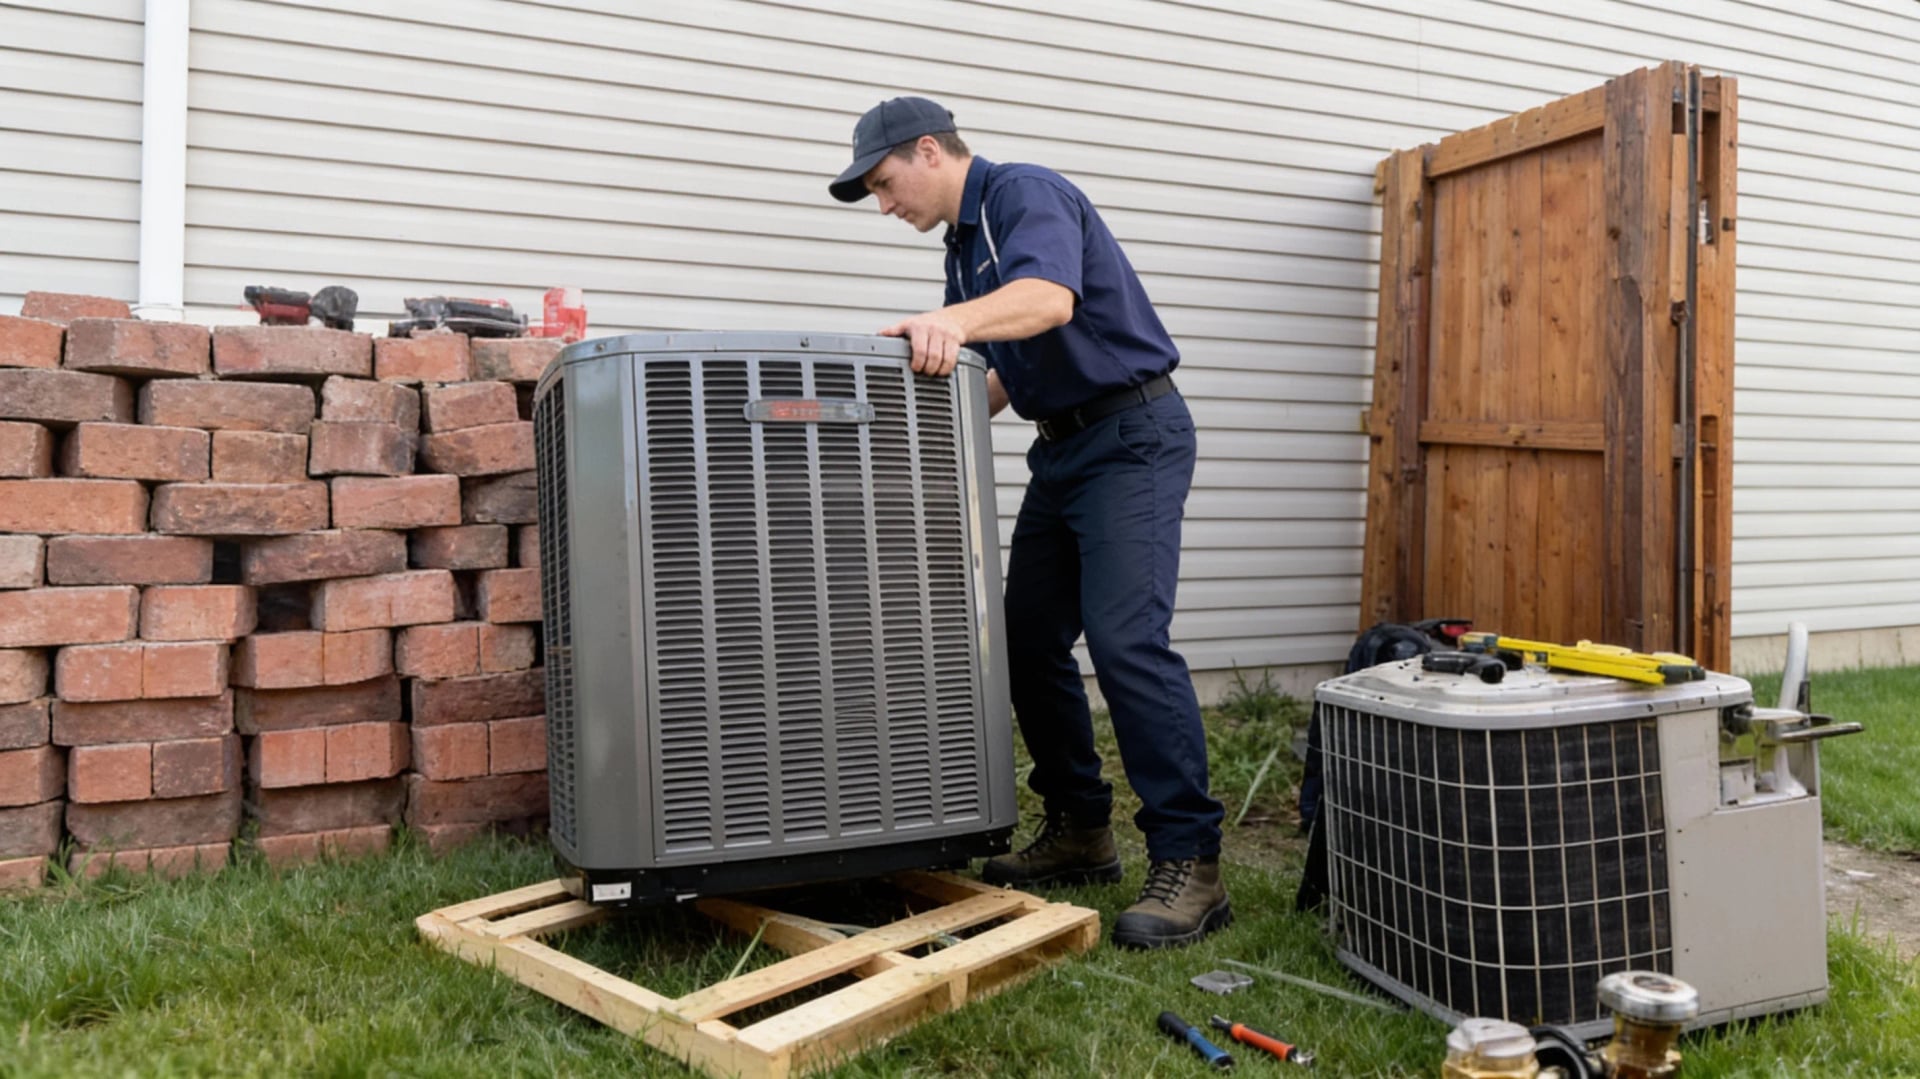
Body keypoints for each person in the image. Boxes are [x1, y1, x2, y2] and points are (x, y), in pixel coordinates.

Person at [828, 96, 1229, 949]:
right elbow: (1002, 373)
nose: (885, 204)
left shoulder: (1023, 195)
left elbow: (1047, 299)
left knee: (1126, 641)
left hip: (1132, 437)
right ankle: (1082, 828)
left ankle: (1191, 859)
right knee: (1025, 635)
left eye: (886, 183)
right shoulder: (965, 253)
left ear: (927, 151)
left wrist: (951, 323)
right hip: (1066, 451)